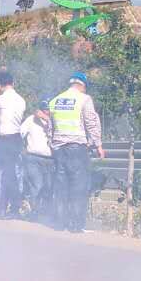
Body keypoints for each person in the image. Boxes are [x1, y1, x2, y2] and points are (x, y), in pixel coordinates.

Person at [48, 71, 104, 232]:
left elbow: (50, 128)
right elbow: (91, 123)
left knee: (61, 186)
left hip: (58, 149)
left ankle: (59, 223)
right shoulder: (84, 99)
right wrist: (98, 145)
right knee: (78, 186)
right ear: (82, 85)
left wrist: (52, 145)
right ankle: (75, 225)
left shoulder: (55, 101)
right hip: (77, 148)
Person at [0, 69, 26, 218]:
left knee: (7, 175)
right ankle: (6, 207)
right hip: (16, 139)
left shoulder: (1, 99)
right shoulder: (21, 100)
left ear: (0, 85)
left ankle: (9, 208)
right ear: (13, 83)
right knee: (10, 173)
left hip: (5, 139)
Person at [20, 98, 55, 221]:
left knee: (49, 186)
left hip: (50, 159)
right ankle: (34, 212)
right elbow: (20, 133)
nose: (46, 112)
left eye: (48, 110)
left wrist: (48, 120)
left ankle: (46, 213)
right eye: (44, 109)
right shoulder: (31, 120)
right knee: (37, 185)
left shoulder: (54, 122)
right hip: (33, 158)